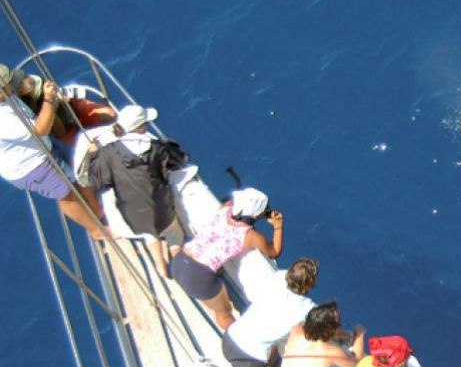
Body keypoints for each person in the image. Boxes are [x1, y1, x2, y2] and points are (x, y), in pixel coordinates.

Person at [0, 64, 106, 239]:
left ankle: (98, 212)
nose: (12, 85)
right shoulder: (3, 120)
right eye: (7, 84)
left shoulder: (7, 97)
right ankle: (96, 230)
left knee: (79, 174)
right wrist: (49, 100)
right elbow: (40, 129)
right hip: (32, 165)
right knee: (66, 194)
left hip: (44, 147)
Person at [88, 105, 188, 277]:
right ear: (142, 127)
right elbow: (180, 160)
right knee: (174, 236)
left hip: (133, 217)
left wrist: (93, 155)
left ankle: (160, 265)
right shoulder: (158, 148)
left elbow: (97, 181)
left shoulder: (108, 153)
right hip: (163, 211)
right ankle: (180, 265)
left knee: (148, 229)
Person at [222, 258, 318, 367]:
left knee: (269, 351)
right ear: (310, 285)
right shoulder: (307, 308)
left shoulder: (278, 278)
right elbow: (319, 327)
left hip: (230, 337)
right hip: (250, 359)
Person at [170, 187, 283, 330]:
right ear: (257, 214)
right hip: (198, 277)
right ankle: (242, 346)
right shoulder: (250, 236)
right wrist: (278, 226)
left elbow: (231, 203)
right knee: (224, 314)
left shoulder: (225, 209)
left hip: (179, 260)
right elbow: (274, 251)